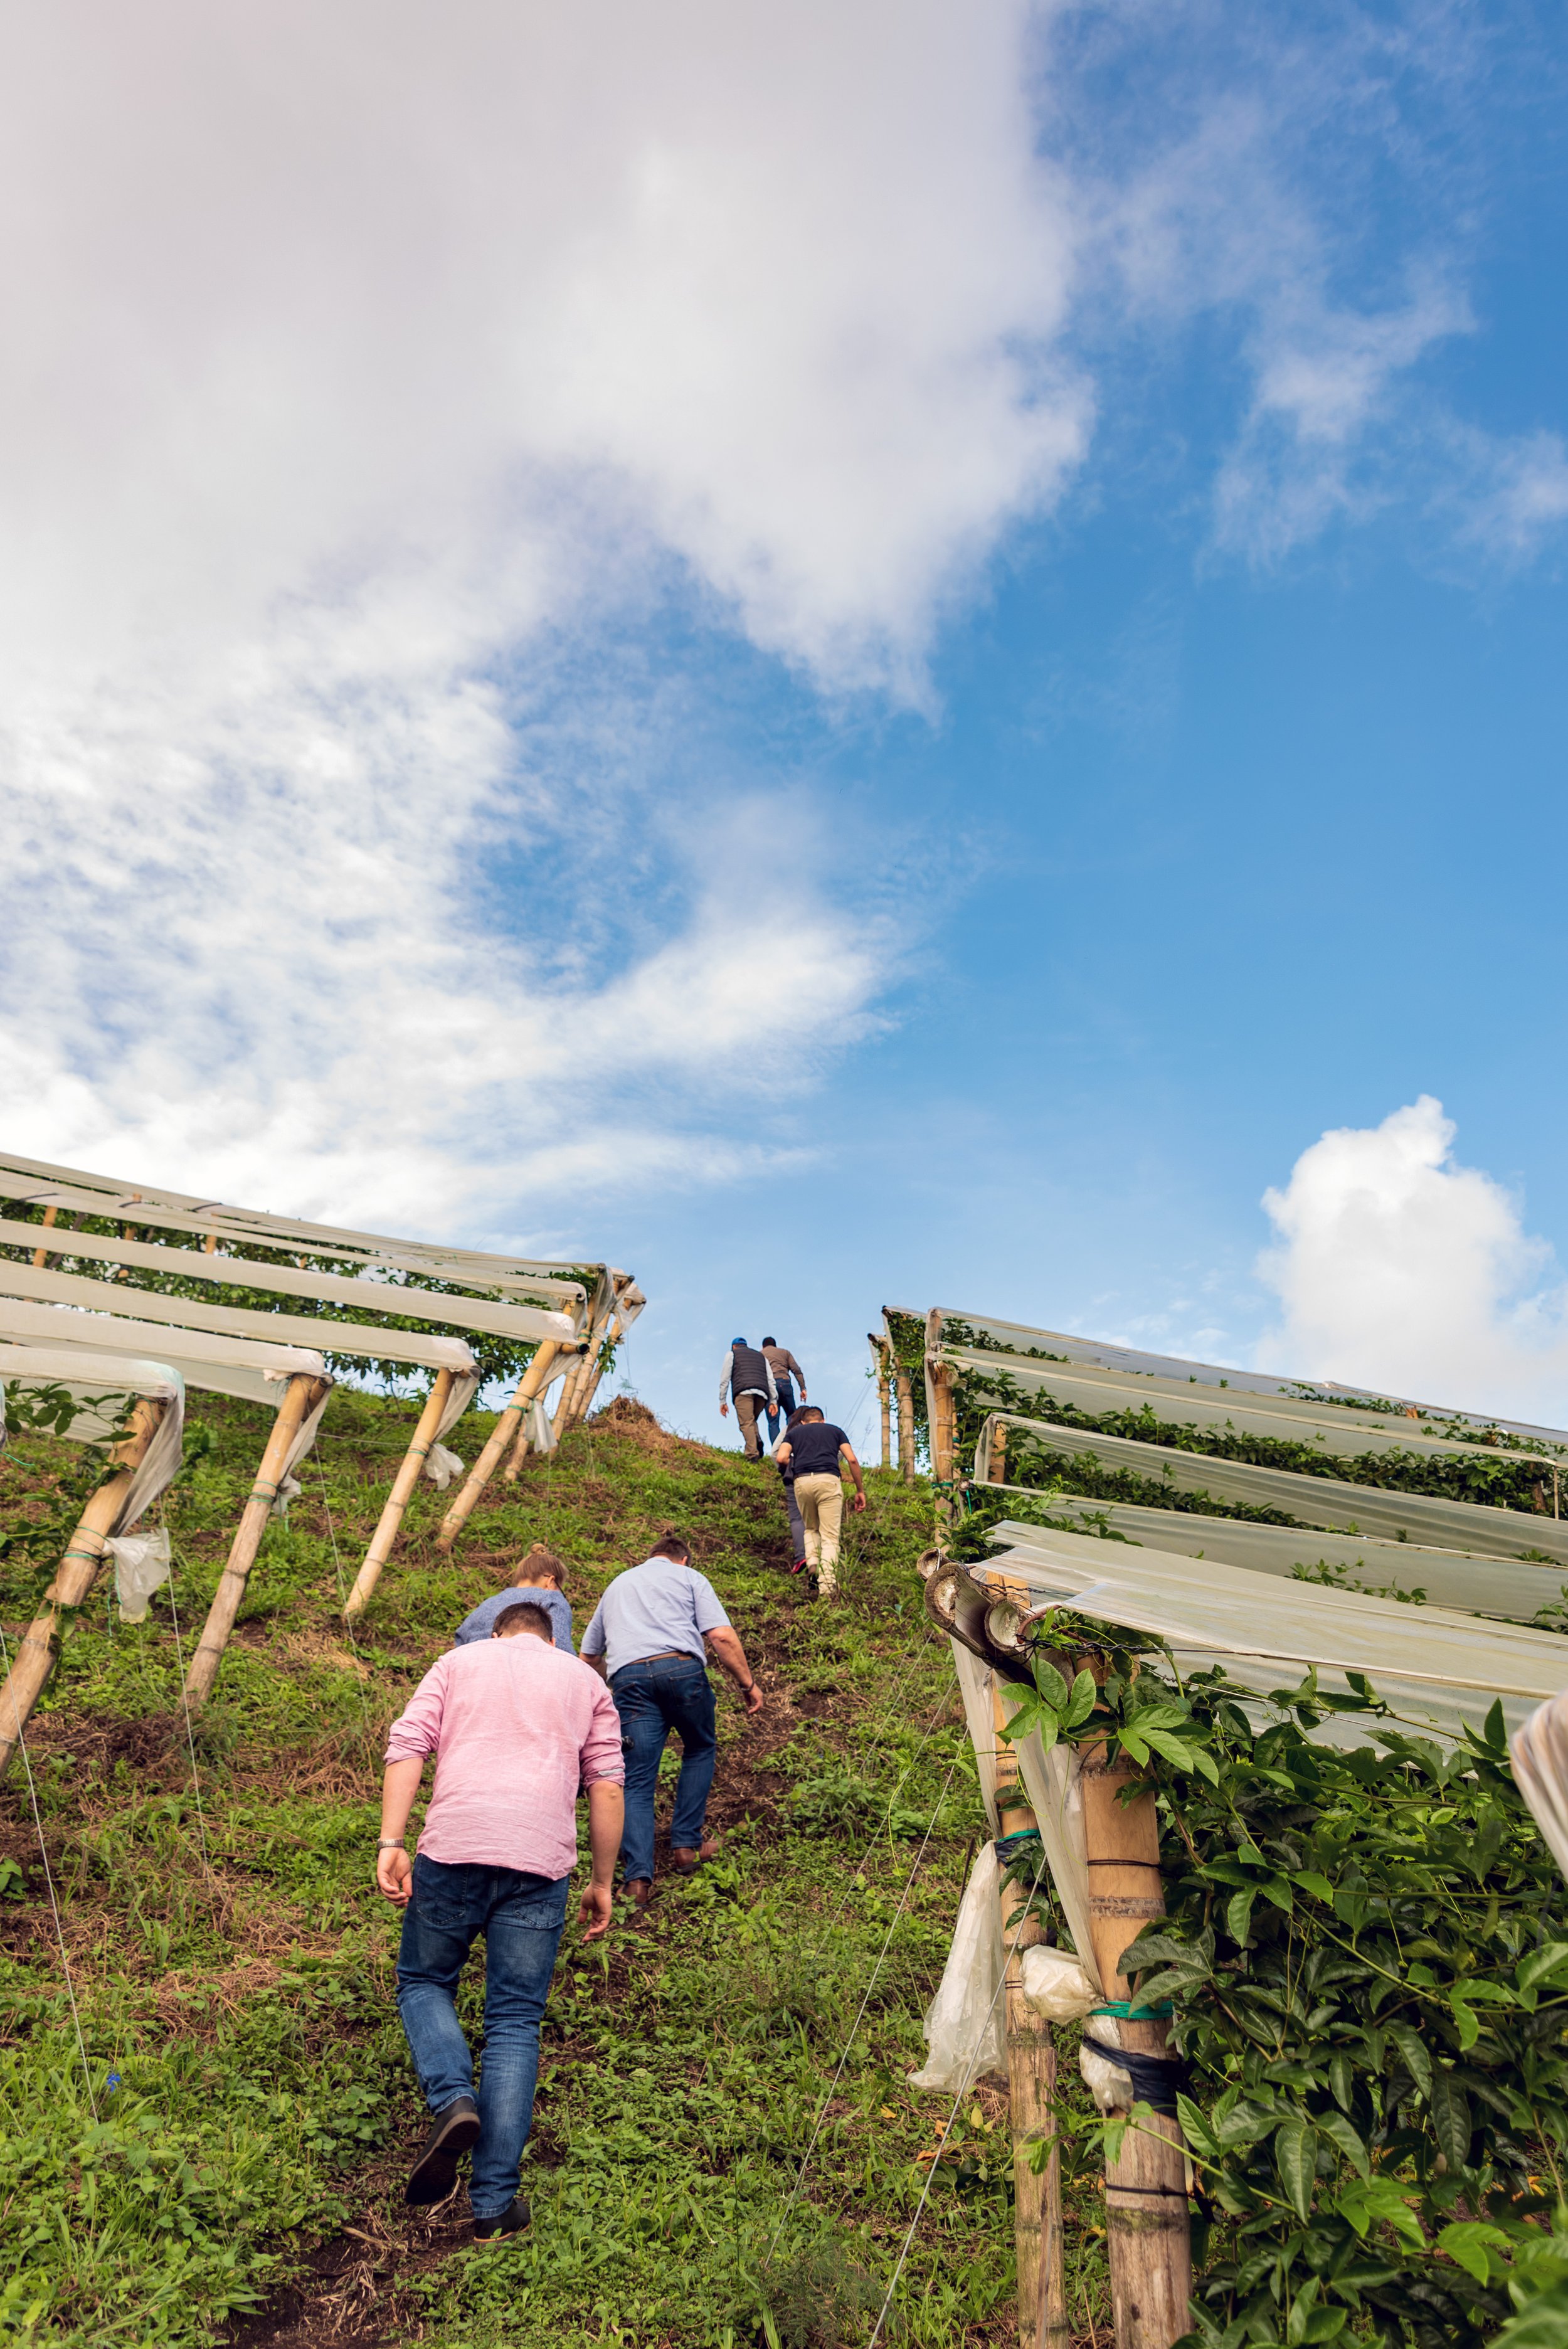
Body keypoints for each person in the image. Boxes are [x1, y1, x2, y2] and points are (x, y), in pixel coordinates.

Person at [377, 1599, 624, 2239]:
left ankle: (453, 2097)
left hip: (454, 1847)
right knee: (515, 2021)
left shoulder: (459, 1662)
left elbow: (408, 1743)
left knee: (424, 1981)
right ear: (551, 1639)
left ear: (499, 1632)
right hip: (539, 1864)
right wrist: (601, 1881)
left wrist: (390, 1841)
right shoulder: (585, 1680)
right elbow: (606, 1785)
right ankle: (492, 2205)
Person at [579, 1534, 763, 1912]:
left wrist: (595, 1699)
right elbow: (721, 1636)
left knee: (637, 1778)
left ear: (651, 1557)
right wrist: (748, 1684)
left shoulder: (616, 1585)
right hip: (680, 1670)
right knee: (699, 1747)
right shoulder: (689, 1578)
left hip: (629, 1680)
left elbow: (590, 1656)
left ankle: (637, 1882)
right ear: (683, 1560)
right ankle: (686, 1847)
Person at [773, 1408, 866, 1598]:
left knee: (811, 1528)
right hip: (828, 1480)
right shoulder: (835, 1431)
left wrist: (797, 1464)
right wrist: (860, 1490)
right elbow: (852, 1460)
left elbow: (781, 1457)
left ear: (804, 1422)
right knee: (830, 1536)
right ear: (823, 1420)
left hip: (802, 1481)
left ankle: (813, 1565)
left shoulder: (794, 1433)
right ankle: (827, 1587)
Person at [453, 1540, 574, 1652]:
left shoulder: (487, 1604)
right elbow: (562, 1652)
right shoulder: (552, 1599)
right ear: (551, 1582)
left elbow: (459, 1642)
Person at [718, 1337, 777, 1460]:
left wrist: (722, 1401)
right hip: (762, 1394)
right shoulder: (761, 1357)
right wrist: (773, 1401)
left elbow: (725, 1378)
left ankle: (752, 1455)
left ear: (734, 1346)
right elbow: (771, 1380)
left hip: (743, 1392)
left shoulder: (731, 1354)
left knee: (746, 1423)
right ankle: (757, 1440)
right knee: (751, 1420)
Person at [773, 1403, 810, 1573]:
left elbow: (775, 1453)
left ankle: (801, 1556)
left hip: (793, 1476)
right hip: (819, 1476)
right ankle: (819, 1557)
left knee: (797, 1518)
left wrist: (788, 1467)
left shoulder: (789, 1430)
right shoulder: (821, 1429)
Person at [761, 1337, 808, 1446]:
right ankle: (793, 1445)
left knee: (773, 1421)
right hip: (784, 1383)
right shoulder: (785, 1353)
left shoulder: (760, 1355)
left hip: (769, 1386)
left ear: (763, 1346)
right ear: (775, 1345)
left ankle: (778, 1449)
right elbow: (797, 1370)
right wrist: (803, 1388)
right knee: (792, 1416)